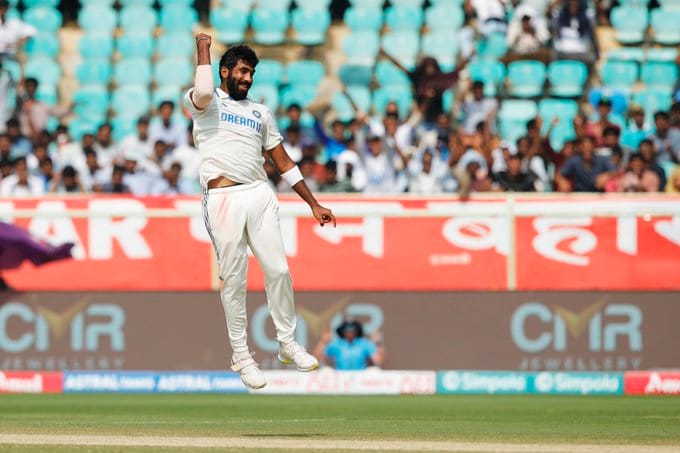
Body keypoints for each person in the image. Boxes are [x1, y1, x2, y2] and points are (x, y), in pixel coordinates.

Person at [185, 35, 336, 389]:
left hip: (258, 193)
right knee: (234, 280)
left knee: (279, 270)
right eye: (241, 70)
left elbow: (282, 161)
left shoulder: (260, 112)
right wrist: (203, 49)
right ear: (224, 71)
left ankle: (288, 342)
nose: (248, 78)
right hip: (222, 198)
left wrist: (313, 203)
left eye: (251, 72)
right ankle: (241, 355)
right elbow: (204, 90)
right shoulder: (204, 102)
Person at [313, 320, 383, 370]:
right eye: (347, 330)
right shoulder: (337, 343)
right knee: (326, 371)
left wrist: (378, 343)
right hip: (341, 377)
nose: (350, 332)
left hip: (361, 376)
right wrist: (323, 341)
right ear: (342, 331)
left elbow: (378, 360)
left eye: (352, 330)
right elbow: (317, 358)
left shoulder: (364, 343)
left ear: (357, 331)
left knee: (374, 371)